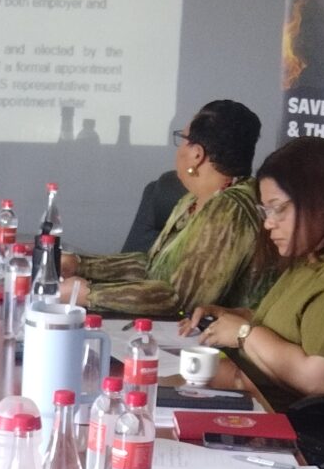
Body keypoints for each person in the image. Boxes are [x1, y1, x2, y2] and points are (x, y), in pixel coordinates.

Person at [184, 138, 324, 409]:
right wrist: (232, 317)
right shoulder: (314, 256)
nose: (268, 223)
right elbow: (293, 327)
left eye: (278, 208)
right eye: (265, 211)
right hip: (259, 397)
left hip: (297, 424)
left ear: (322, 201)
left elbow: (321, 381)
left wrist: (243, 334)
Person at [63, 100, 274, 321]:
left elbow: (181, 300)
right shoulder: (192, 200)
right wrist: (79, 264)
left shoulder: (231, 209)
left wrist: (89, 294)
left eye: (182, 139)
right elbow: (150, 267)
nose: (179, 148)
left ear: (197, 154)